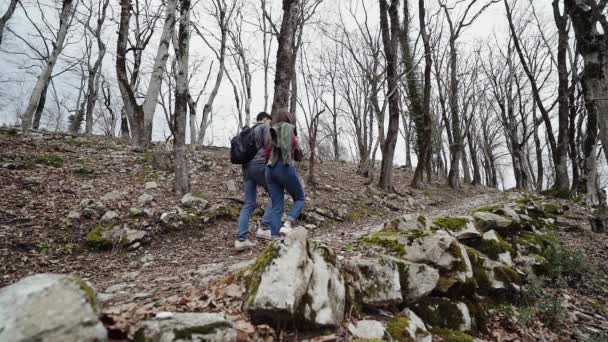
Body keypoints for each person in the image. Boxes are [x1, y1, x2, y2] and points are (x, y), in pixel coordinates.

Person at [235, 112, 273, 251]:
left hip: (246, 170)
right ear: (265, 119)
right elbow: (269, 145)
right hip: (259, 166)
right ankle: (265, 227)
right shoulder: (264, 127)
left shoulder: (247, 131)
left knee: (249, 203)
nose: (270, 123)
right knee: (276, 194)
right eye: (270, 120)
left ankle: (241, 239)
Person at [265, 109, 305, 239]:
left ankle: (275, 239)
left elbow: (267, 151)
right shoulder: (289, 129)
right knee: (299, 198)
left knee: (277, 206)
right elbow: (294, 145)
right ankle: (287, 223)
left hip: (270, 169)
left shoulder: (271, 131)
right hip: (285, 166)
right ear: (288, 119)